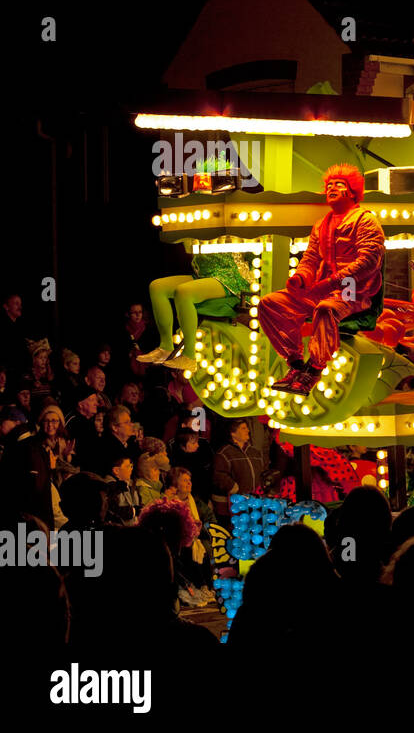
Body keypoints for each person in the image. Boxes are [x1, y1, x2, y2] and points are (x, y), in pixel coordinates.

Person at [261, 164, 385, 394]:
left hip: (352, 289)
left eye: (338, 184)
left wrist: (333, 282)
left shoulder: (365, 221)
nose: (331, 188)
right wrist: (299, 278)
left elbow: (369, 261)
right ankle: (296, 365)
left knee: (327, 308)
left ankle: (315, 368)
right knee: (269, 304)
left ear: (352, 191)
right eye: (329, 185)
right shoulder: (322, 224)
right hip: (323, 288)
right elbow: (310, 258)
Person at [138, 252, 256, 373]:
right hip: (204, 274)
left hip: (229, 278)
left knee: (183, 292)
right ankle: (165, 347)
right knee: (157, 287)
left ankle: (189, 355)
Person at [212, 418, 265, 518]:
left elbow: (261, 470)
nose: (248, 431)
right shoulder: (224, 453)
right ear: (233, 433)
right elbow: (218, 474)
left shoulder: (254, 452)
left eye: (247, 428)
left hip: (252, 500)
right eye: (243, 428)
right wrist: (232, 486)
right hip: (234, 502)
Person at [105, 456, 142, 525]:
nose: (131, 469)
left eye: (132, 466)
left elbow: (138, 503)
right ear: (116, 470)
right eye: (128, 466)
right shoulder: (110, 487)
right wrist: (134, 511)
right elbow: (114, 509)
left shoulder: (131, 484)